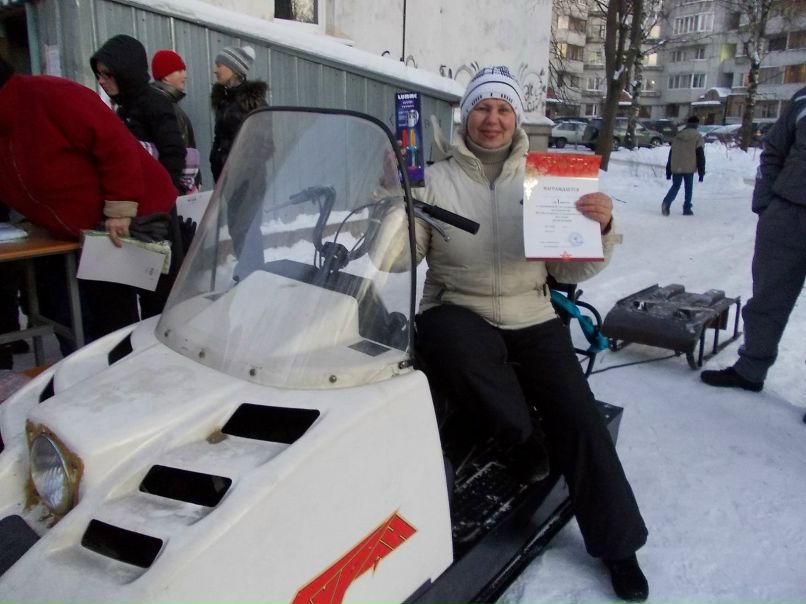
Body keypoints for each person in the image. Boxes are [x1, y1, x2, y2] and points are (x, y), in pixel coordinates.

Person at [411, 66, 649, 601]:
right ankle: (523, 439)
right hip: (458, 310)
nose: (491, 119)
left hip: (532, 312)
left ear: (516, 118)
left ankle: (619, 545)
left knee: (580, 418)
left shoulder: (547, 178)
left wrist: (600, 230)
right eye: (482, 106)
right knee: (448, 338)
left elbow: (568, 270)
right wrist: (390, 207)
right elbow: (402, 258)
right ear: (466, 114)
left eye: (503, 109)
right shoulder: (433, 178)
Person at [0, 55, 177, 342]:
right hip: (93, 235)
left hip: (142, 214)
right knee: (112, 325)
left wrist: (120, 207)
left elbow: (114, 144)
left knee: (162, 315)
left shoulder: (50, 95)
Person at [701, 86, 806, 395]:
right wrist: (766, 205)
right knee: (766, 300)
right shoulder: (803, 100)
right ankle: (750, 370)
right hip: (787, 214)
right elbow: (773, 151)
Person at [91, 35, 187, 318]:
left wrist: (161, 198)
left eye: (107, 74)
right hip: (136, 214)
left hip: (155, 216)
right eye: (98, 75)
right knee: (133, 287)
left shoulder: (153, 104)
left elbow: (174, 153)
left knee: (159, 294)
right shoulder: (123, 107)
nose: (101, 81)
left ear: (125, 70)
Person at [210, 45, 268, 182]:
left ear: (234, 69)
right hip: (225, 182)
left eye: (219, 65)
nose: (215, 70)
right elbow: (220, 140)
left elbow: (264, 146)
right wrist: (216, 161)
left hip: (246, 184)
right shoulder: (225, 100)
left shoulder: (253, 104)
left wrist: (239, 174)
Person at [151, 49, 201, 192]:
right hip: (179, 187)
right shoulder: (166, 108)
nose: (185, 75)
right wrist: (189, 186)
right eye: (179, 71)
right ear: (166, 77)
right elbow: (179, 152)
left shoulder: (164, 103)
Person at [661, 115, 705, 216]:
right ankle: (687, 208)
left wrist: (668, 170)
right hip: (689, 166)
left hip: (676, 165)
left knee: (676, 185)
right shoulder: (698, 137)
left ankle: (667, 201)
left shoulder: (678, 136)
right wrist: (701, 172)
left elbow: (671, 153)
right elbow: (700, 155)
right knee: (688, 188)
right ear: (697, 125)